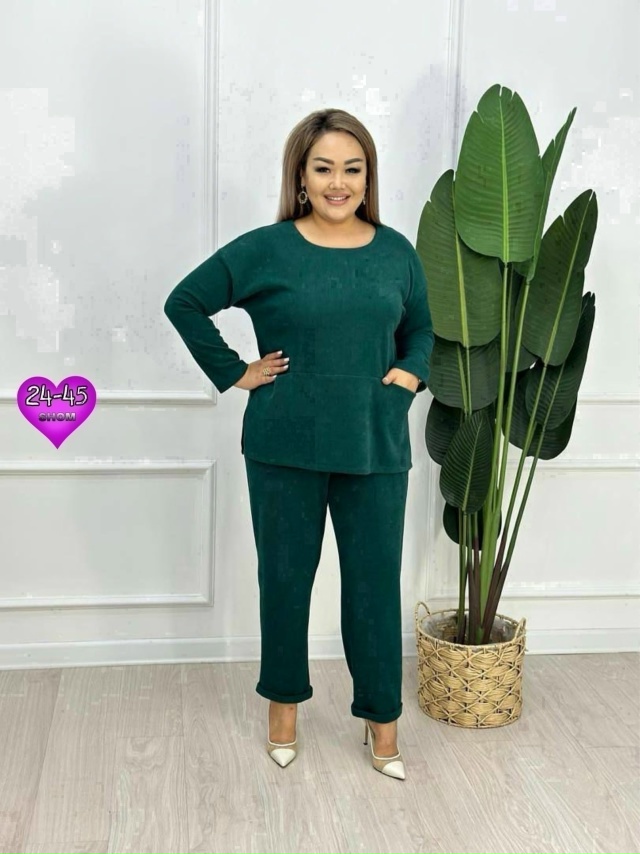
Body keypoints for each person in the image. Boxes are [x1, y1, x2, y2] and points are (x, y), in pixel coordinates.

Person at [164, 108, 434, 780]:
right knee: (284, 581)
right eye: (324, 168)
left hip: (374, 445)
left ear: (368, 178)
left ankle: (382, 720)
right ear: (301, 178)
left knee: (374, 588)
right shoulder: (267, 249)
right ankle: (282, 709)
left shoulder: (395, 251)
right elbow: (185, 301)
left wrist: (407, 377)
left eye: (353, 169)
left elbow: (422, 331)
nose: (339, 182)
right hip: (283, 445)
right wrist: (236, 371)